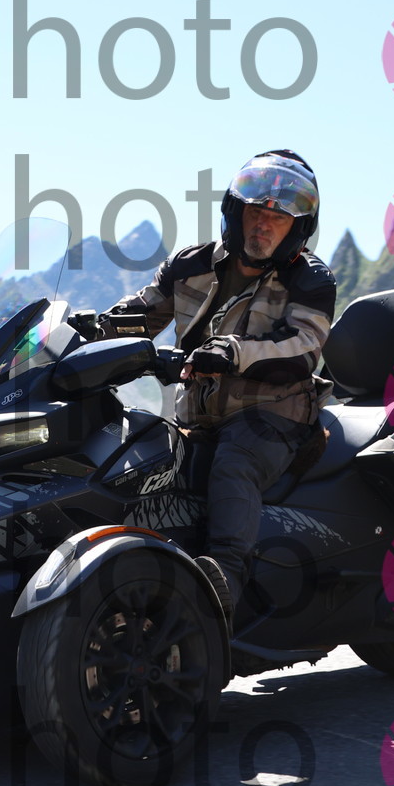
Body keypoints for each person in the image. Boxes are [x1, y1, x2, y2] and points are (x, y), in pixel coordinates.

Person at [97, 149, 336, 624]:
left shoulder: (310, 279)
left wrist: (234, 352)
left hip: (273, 414)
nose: (263, 225)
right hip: (196, 417)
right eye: (255, 212)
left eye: (278, 218)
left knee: (234, 463)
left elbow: (305, 345)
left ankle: (222, 582)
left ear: (297, 228)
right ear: (235, 212)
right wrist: (93, 328)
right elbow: (141, 314)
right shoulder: (190, 264)